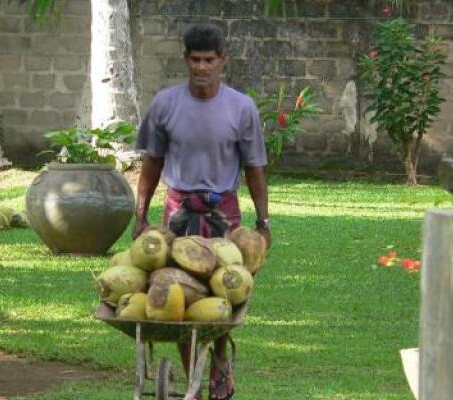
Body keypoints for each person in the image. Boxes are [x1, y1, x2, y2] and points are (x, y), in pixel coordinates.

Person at [132, 23, 272, 400]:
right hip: (178, 209)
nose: (202, 67)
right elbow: (151, 164)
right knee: (179, 295)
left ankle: (220, 364)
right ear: (185, 60)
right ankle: (194, 377)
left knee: (225, 293)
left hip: (222, 210)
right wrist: (141, 215)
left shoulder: (241, 108)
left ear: (221, 60)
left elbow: (255, 168)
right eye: (195, 59)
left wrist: (264, 221)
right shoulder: (165, 104)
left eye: (209, 59)